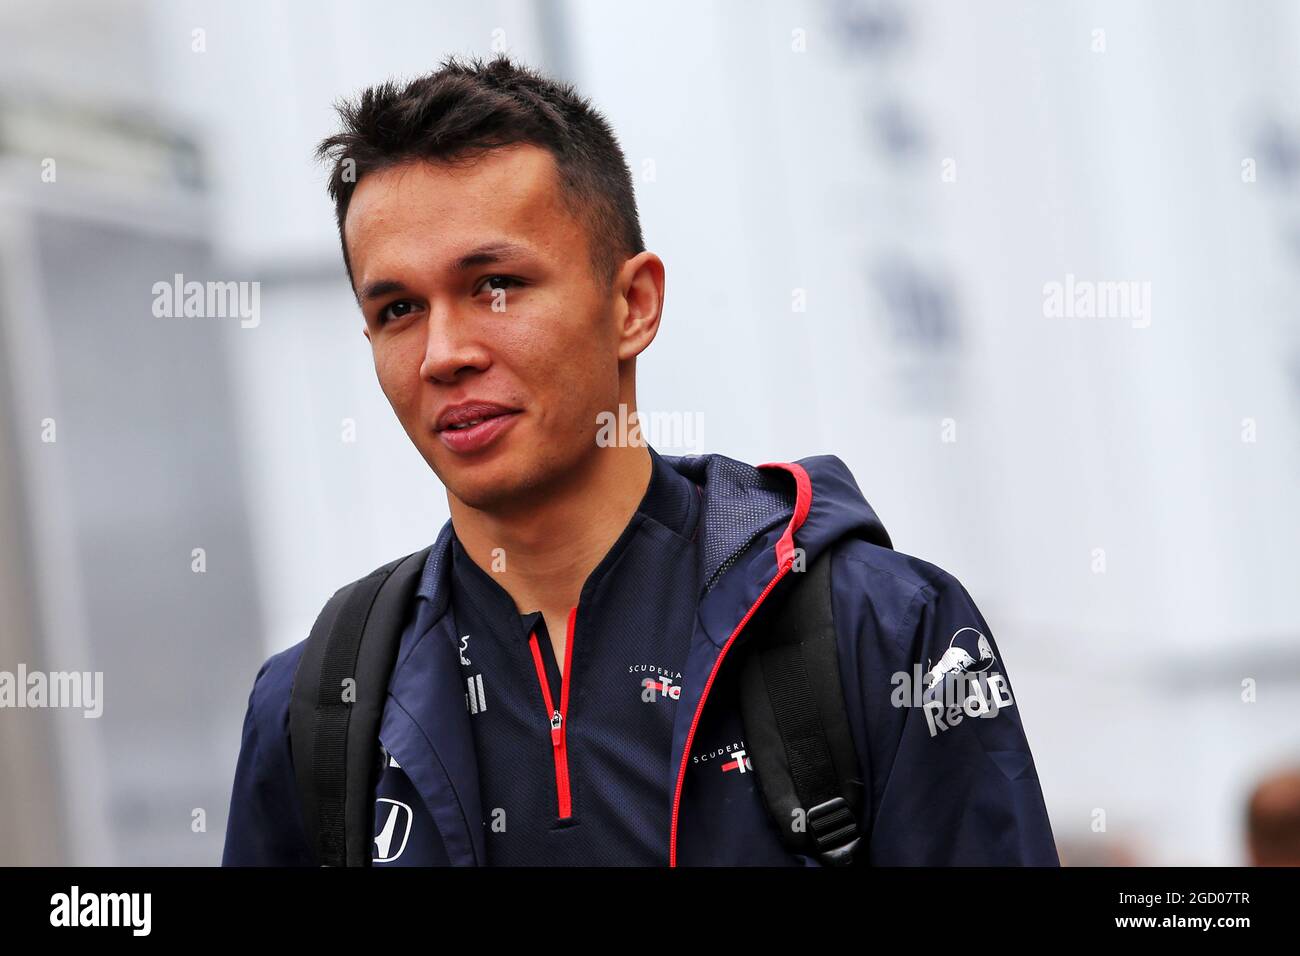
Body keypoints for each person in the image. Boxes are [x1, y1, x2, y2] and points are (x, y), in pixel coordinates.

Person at [220, 53, 1058, 867]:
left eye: (495, 286)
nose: (444, 353)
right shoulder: (319, 709)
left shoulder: (880, 631)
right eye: (399, 308)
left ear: (633, 304)